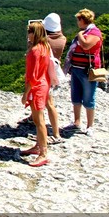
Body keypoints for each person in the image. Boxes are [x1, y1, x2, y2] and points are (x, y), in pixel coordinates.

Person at [65, 8, 103, 135]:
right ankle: (76, 122)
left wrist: (80, 34)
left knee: (88, 98)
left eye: (78, 19)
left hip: (88, 70)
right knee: (76, 96)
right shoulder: (88, 31)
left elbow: (86, 45)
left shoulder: (95, 32)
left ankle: (90, 126)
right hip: (76, 68)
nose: (77, 22)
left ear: (83, 20)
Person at [20, 20, 52, 167]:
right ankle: (38, 146)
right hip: (44, 84)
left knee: (39, 121)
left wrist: (25, 93)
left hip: (36, 87)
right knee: (40, 118)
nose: (28, 34)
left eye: (29, 32)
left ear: (34, 33)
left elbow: (32, 76)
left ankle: (43, 153)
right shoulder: (45, 46)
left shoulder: (35, 51)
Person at [42, 12, 66, 143]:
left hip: (44, 74)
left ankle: (56, 134)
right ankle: (31, 117)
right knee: (46, 102)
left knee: (49, 104)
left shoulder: (45, 42)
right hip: (53, 74)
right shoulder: (62, 39)